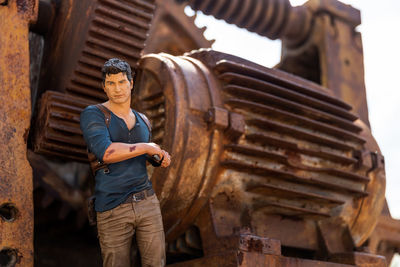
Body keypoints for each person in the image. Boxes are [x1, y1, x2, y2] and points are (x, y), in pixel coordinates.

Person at [80, 58, 170, 267]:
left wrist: (159, 156)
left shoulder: (144, 120)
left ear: (131, 83)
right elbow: (106, 152)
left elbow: (139, 155)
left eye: (122, 82)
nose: (117, 89)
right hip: (112, 207)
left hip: (147, 202)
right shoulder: (94, 114)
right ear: (104, 87)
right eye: (111, 83)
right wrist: (147, 147)